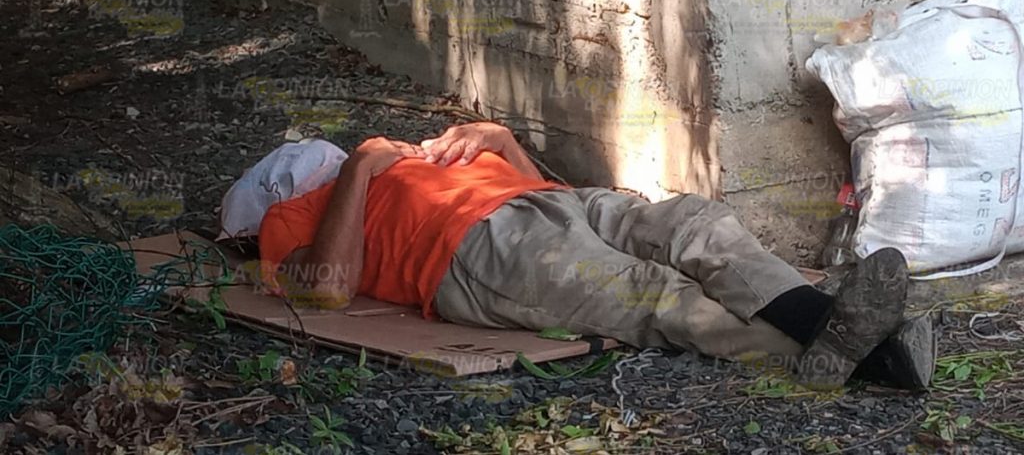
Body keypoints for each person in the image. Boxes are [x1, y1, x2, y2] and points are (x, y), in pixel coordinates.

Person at [219, 122, 936, 390]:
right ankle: (878, 356)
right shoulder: (294, 218)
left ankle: (829, 325)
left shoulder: (383, 170)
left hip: (553, 205)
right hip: (479, 256)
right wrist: (362, 168)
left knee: (694, 222)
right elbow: (332, 289)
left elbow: (544, 193)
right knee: (655, 296)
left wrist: (503, 143)